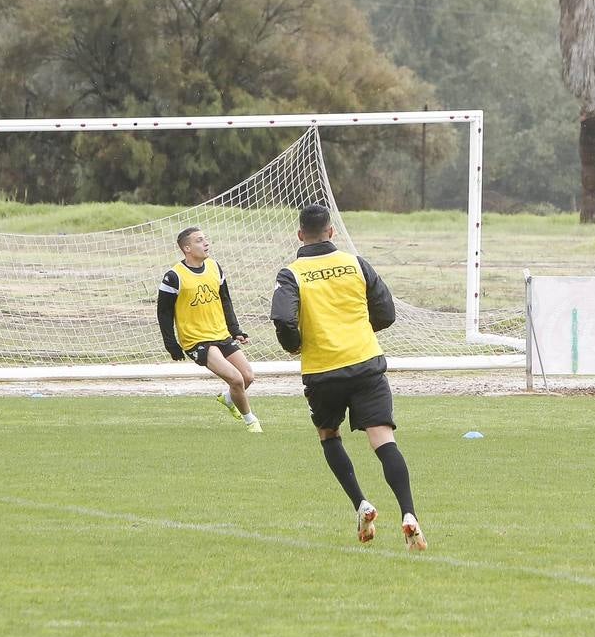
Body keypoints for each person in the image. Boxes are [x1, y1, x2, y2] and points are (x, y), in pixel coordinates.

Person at [270, 204, 426, 551]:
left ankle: (361, 504)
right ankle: (409, 513)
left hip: (323, 371)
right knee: (383, 440)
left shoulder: (291, 273)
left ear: (300, 235)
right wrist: (359, 331)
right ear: (331, 232)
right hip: (366, 362)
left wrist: (294, 345)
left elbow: (282, 319)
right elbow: (386, 311)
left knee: (329, 435)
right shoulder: (356, 263)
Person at [157, 226, 261, 433]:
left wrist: (235, 330)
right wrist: (172, 344)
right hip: (197, 340)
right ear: (187, 248)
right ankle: (251, 422)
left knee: (248, 376)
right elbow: (164, 313)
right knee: (236, 378)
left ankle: (229, 399)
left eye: (205, 239)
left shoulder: (215, 267)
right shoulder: (174, 276)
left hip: (221, 334)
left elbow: (225, 300)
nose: (206, 243)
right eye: (199, 240)